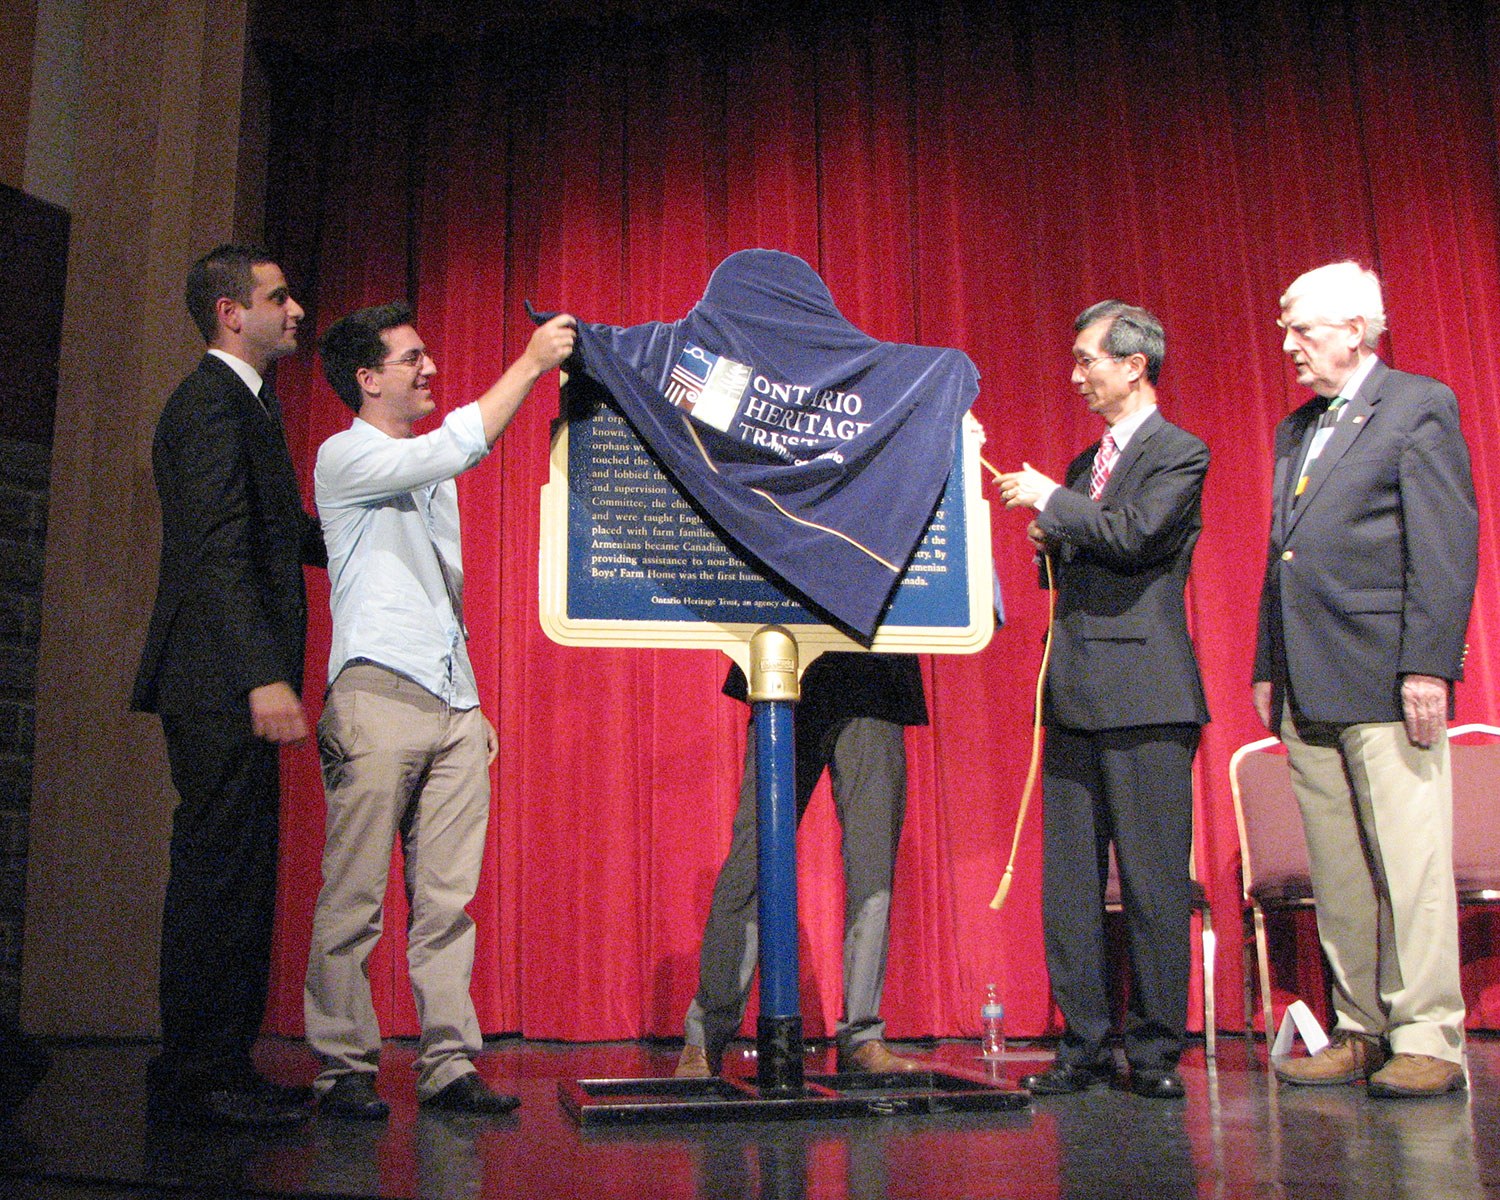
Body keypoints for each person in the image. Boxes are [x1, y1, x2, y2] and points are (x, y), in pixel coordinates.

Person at [305, 301, 576, 1118]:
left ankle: (449, 1064)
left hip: (451, 703)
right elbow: (460, 443)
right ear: (368, 377)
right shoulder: (342, 456)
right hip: (376, 695)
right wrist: (530, 364)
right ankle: (343, 1067)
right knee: (354, 897)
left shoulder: (427, 476)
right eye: (411, 357)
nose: (429, 368)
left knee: (447, 899)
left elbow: (440, 598)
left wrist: (472, 701)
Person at [1253, 262, 1478, 1099]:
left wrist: (1427, 664)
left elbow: (1446, 545)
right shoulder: (1295, 429)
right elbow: (1281, 556)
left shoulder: (1418, 405)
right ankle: (1359, 1027)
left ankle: (1427, 1035)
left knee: (1410, 863)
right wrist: (1266, 665)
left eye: (1301, 331)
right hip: (1306, 682)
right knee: (1339, 869)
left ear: (1355, 329)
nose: (1289, 347)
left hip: (1385, 674)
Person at [132, 243, 326, 1128]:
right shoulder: (211, 405)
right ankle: (197, 1073)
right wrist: (262, 678)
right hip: (218, 680)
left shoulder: (245, 405)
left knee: (242, 872)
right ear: (230, 313)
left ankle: (223, 1065)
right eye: (277, 298)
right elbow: (216, 552)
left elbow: (281, 533)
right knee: (219, 873)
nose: (295, 311)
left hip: (232, 677)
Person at [996, 301, 1209, 1100]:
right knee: (1069, 884)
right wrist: (1047, 544)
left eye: (1089, 359)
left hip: (1149, 692)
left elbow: (1134, 536)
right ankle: (1082, 1044)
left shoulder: (1180, 452)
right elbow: (1082, 560)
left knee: (1153, 882)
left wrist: (1056, 503)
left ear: (1134, 365)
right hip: (1074, 688)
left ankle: (1154, 1052)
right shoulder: (1089, 461)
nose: (1076, 374)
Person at [674, 653, 929, 1078]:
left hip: (875, 679)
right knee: (751, 864)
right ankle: (704, 1036)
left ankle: (863, 1037)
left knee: (873, 872)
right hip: (787, 667)